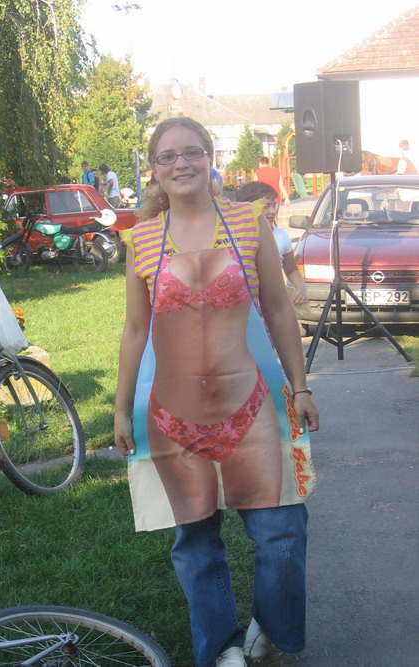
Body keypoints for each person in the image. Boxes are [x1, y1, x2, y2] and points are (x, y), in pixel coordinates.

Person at [114, 117, 319, 667]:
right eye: (167, 156)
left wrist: (300, 386)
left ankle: (271, 627)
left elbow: (278, 309)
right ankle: (221, 647)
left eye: (192, 152)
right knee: (196, 545)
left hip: (254, 407)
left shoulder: (248, 222)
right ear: (154, 171)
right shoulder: (140, 240)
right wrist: (121, 406)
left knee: (282, 532)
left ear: (210, 159)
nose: (180, 163)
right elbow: (134, 330)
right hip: (170, 417)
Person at [237, 182, 308, 306]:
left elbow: (291, 269)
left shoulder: (281, 235)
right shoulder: (234, 236)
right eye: (266, 206)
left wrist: (300, 287)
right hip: (243, 307)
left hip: (272, 306)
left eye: (274, 205)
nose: (273, 211)